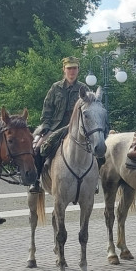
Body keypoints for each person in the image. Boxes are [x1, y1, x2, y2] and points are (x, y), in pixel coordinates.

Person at [29, 56, 92, 194]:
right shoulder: (55, 88)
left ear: (78, 70)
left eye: (74, 68)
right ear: (64, 69)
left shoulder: (84, 88)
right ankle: (36, 181)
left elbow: (90, 110)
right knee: (38, 148)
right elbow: (47, 110)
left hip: (77, 129)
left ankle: (93, 182)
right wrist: (45, 125)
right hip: (55, 128)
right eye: (69, 68)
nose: (72, 71)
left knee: (95, 148)